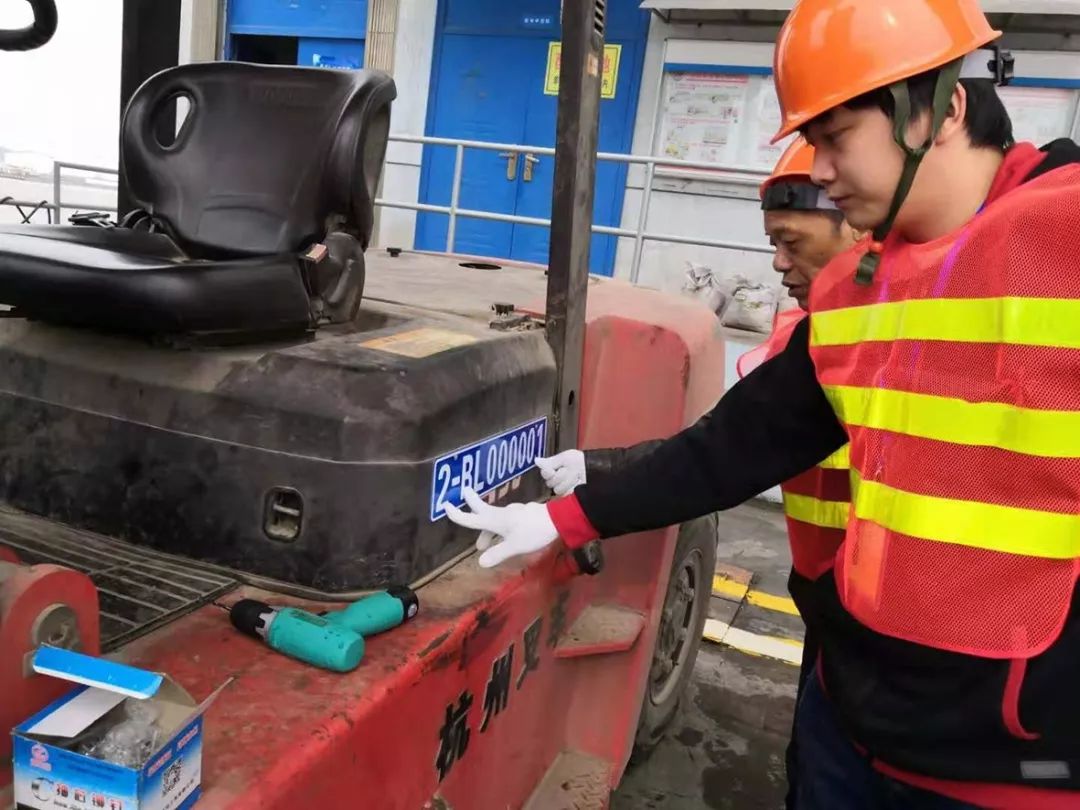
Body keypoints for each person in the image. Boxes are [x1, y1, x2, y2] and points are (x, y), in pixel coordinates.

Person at [446, 1, 1080, 807]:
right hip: (851, 721)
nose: (816, 170)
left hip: (1013, 768)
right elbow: (732, 448)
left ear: (941, 110)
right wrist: (564, 516)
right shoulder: (859, 290)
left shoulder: (1065, 232)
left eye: (836, 137)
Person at [533, 136, 859, 809]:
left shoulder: (889, 342)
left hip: (908, 659)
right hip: (833, 620)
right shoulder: (821, 336)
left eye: (793, 242)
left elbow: (724, 458)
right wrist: (594, 472)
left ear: (857, 219)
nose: (778, 264)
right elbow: (724, 448)